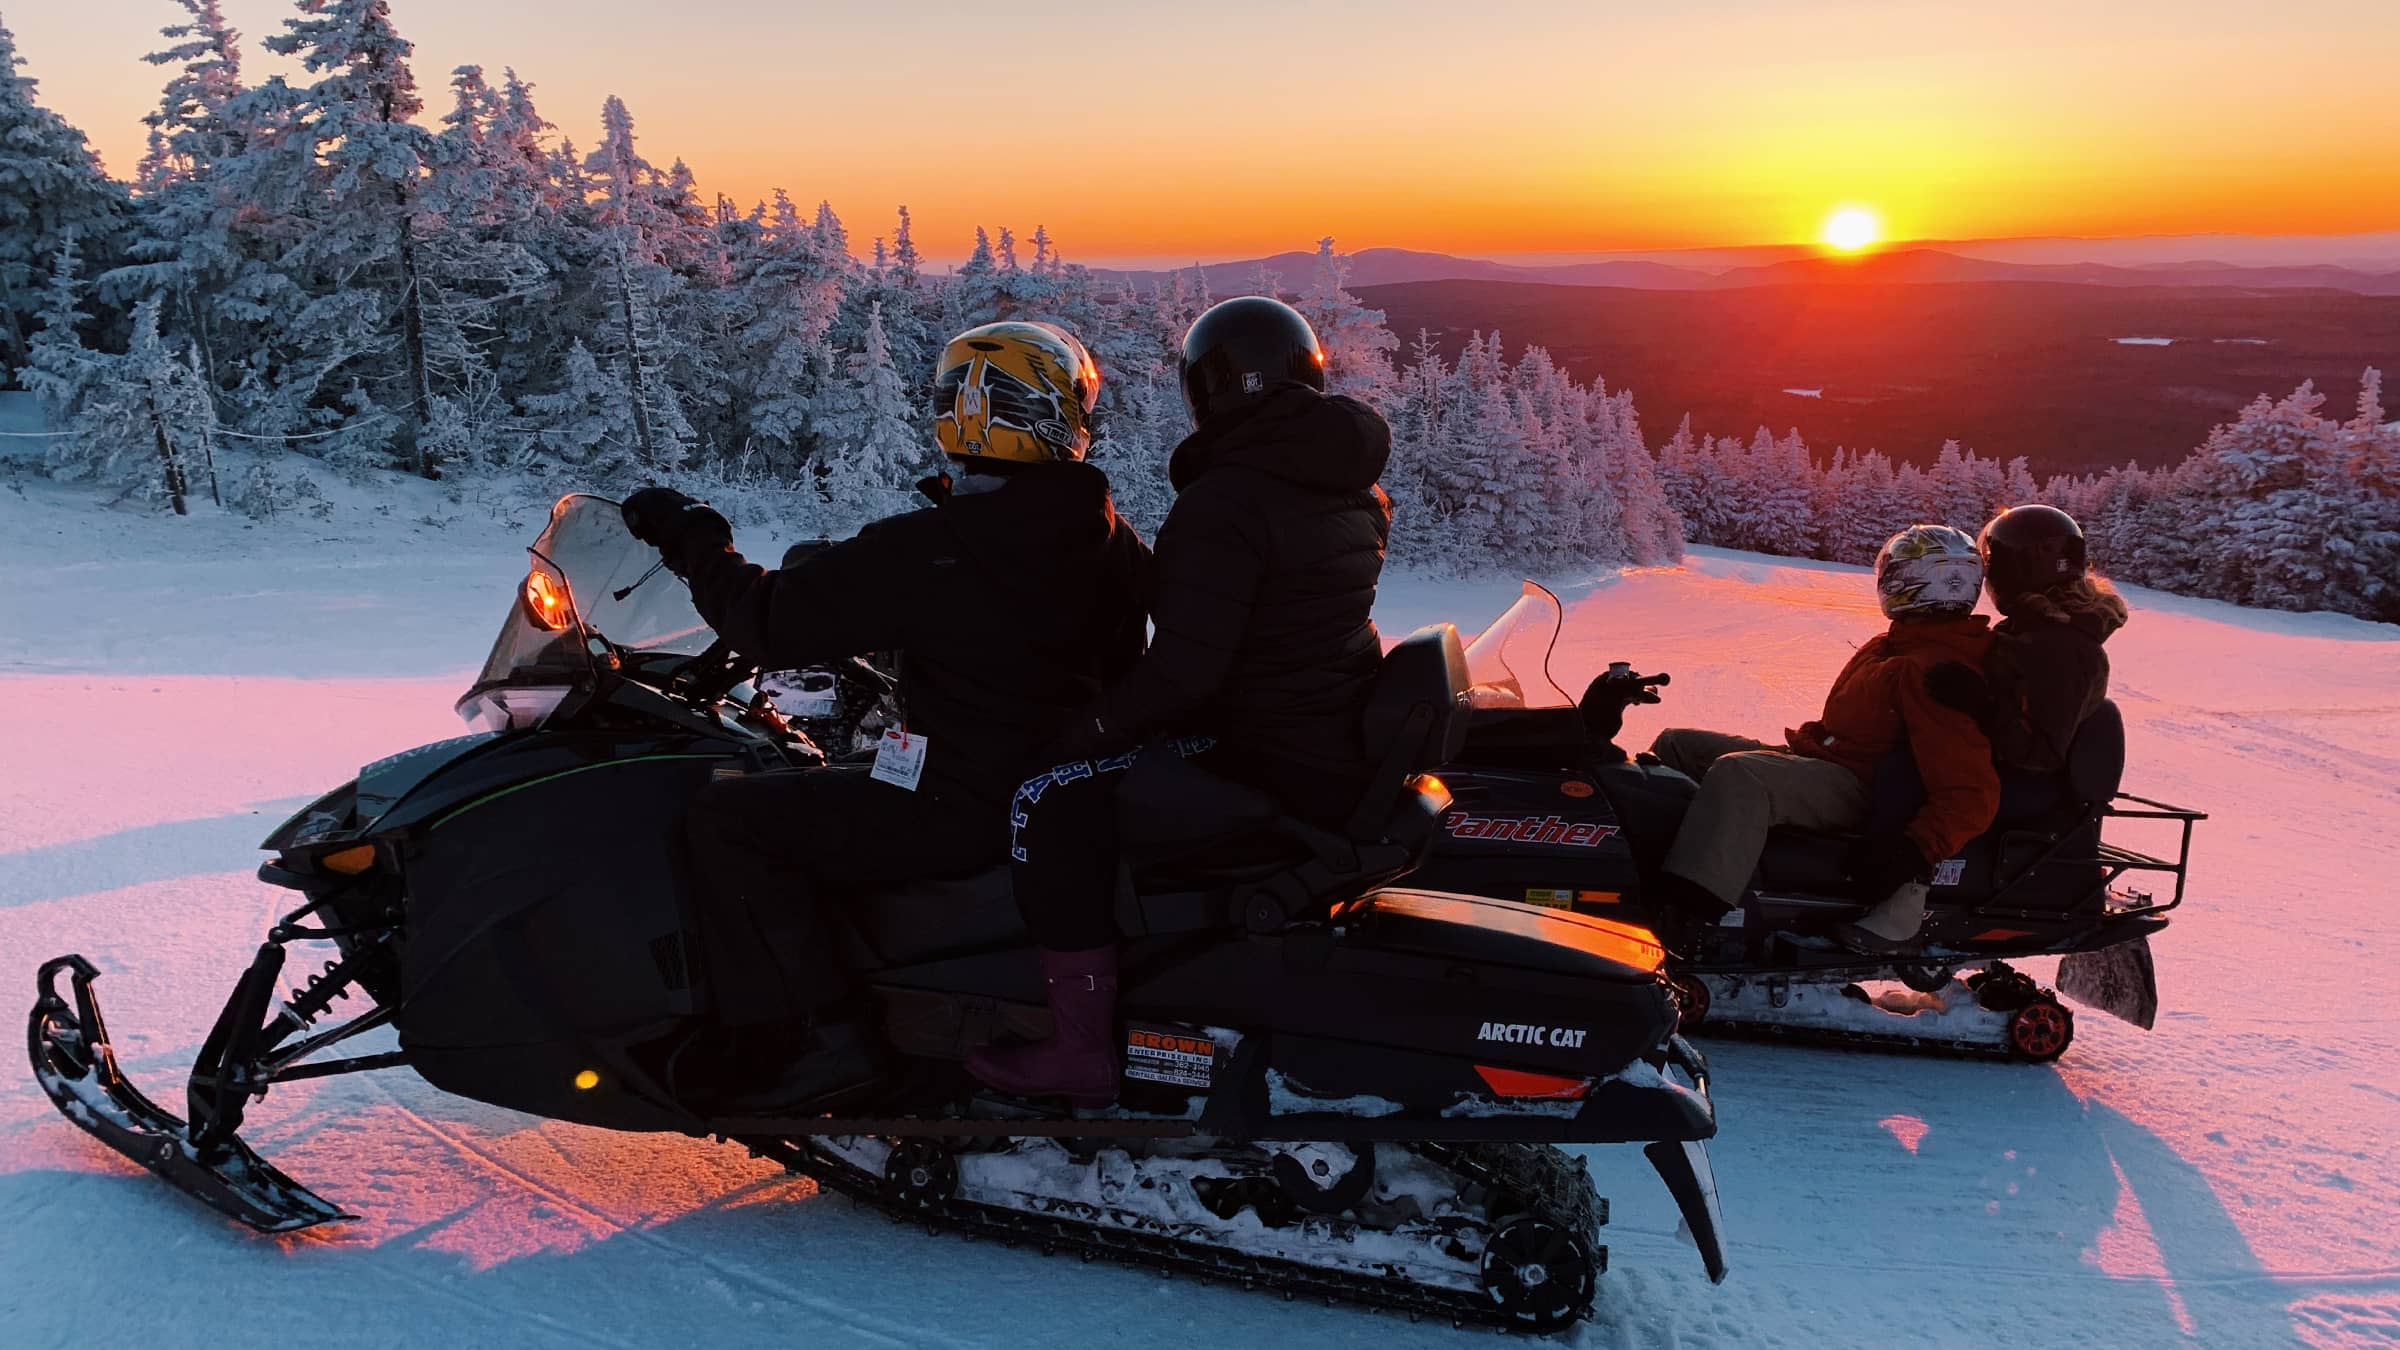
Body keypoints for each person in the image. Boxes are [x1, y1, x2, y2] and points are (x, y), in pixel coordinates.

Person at [620, 320, 1149, 1112]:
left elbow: (766, 621)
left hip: (960, 800)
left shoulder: (935, 547)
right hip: (1047, 789)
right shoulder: (1105, 533)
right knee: (822, 782)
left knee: (730, 820)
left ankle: (812, 1040)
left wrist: (693, 535)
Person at [966, 296, 1393, 1106]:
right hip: (1320, 733)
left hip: (1264, 747)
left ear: (1214, 389)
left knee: (1045, 800)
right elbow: (1265, 624)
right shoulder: (1344, 483)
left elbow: (1186, 673)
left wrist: (1083, 730)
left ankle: (1078, 1049)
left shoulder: (1230, 500)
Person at [1644, 524, 2002, 955]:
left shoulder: (1935, 670)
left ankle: (1688, 918)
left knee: (1741, 776)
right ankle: (1642, 871)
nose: (1887, 581)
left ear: (1917, 582)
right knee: (1677, 744)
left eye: (1896, 573)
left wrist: (1915, 850)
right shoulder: (1895, 644)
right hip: (1826, 760)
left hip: (1859, 788)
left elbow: (1970, 791)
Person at [1928, 505, 2129, 774]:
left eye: (1993, 563)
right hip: (1996, 766)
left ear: (2012, 570)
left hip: (2027, 788)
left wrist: (1981, 706)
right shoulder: (2028, 626)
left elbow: (2040, 756)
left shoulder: (2064, 647)